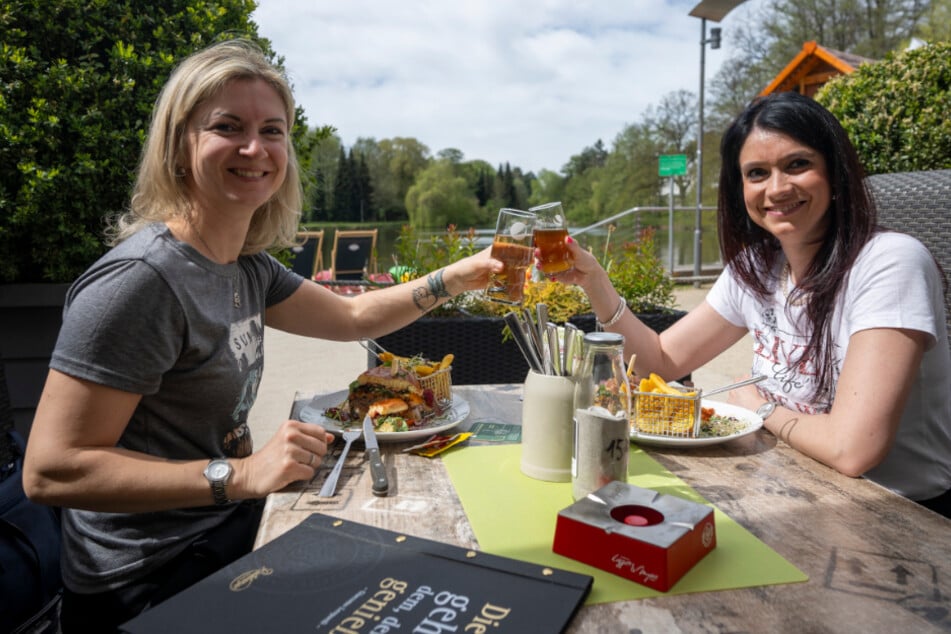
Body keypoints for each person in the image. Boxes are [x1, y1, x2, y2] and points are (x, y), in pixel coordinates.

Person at [22, 39, 501, 632]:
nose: (255, 148)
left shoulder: (246, 266)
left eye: (272, 130)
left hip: (223, 533)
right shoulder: (141, 283)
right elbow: (51, 470)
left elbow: (354, 318)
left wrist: (455, 278)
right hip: (148, 583)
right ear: (179, 147)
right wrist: (242, 475)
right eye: (228, 126)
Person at [551, 91, 951, 518]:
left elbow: (852, 448)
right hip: (792, 483)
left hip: (898, 514)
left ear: (835, 173)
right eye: (757, 173)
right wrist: (595, 282)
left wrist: (758, 406)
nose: (777, 188)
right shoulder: (758, 267)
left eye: (798, 164)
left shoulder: (889, 263)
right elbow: (661, 361)